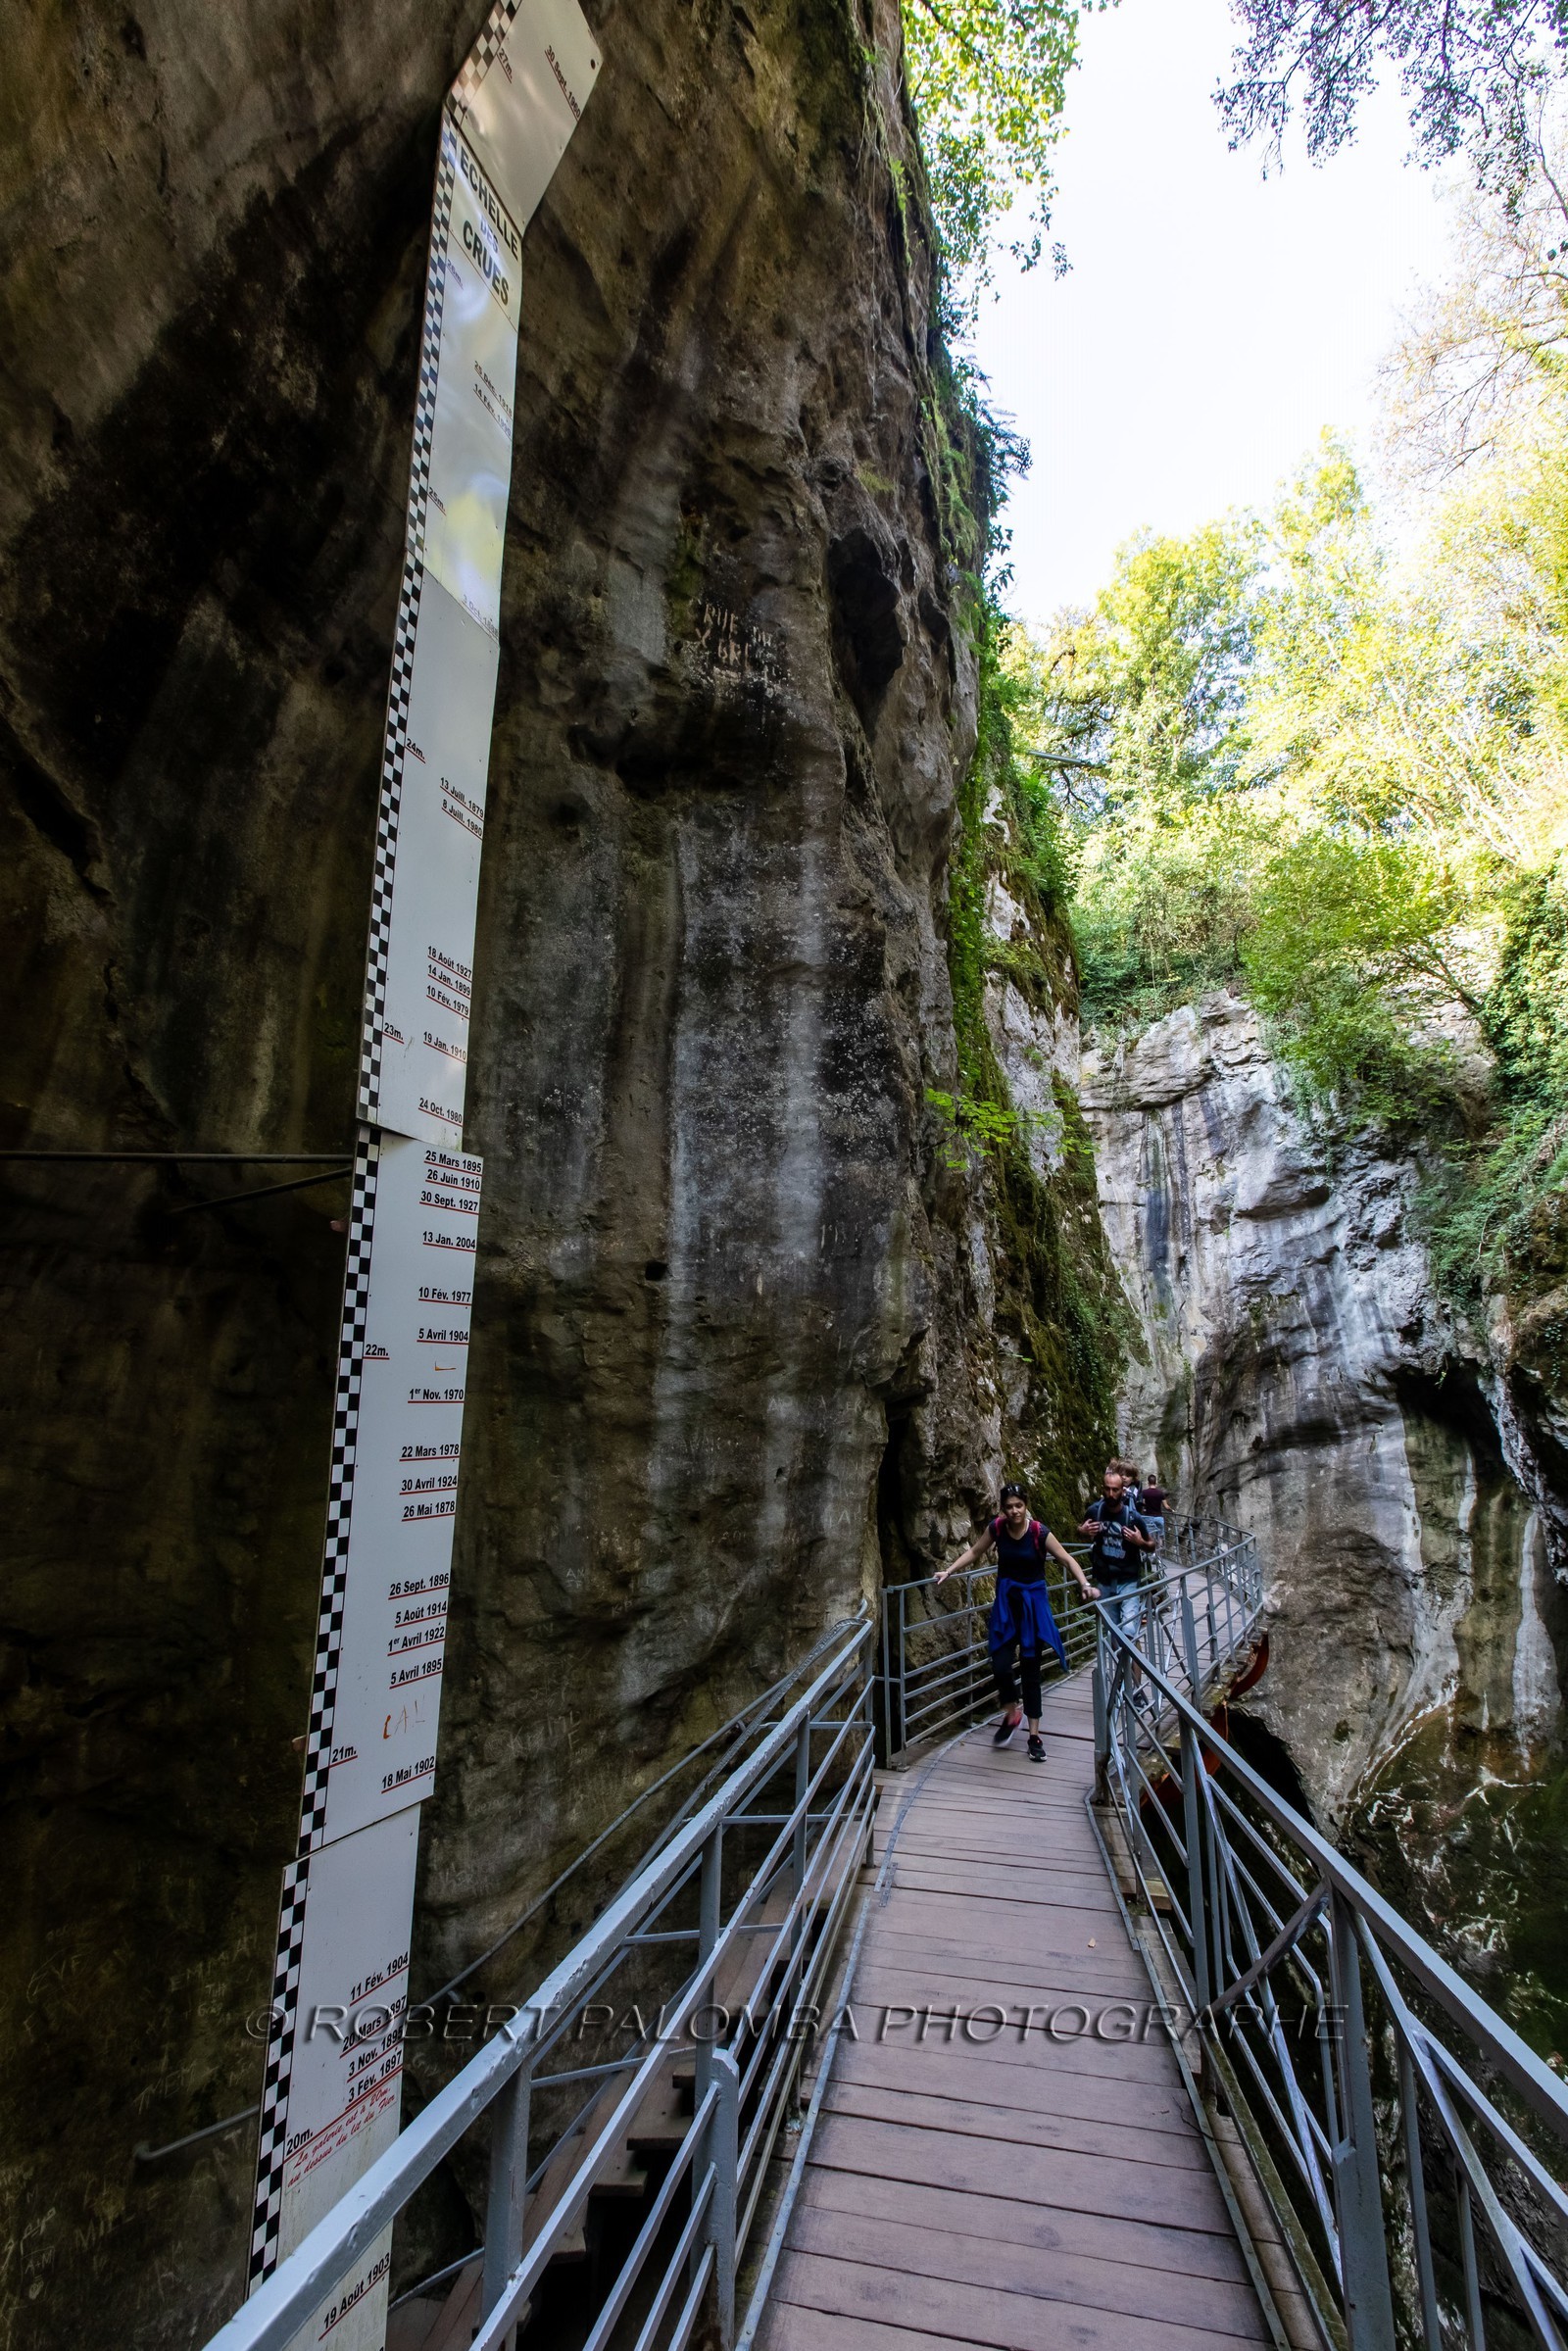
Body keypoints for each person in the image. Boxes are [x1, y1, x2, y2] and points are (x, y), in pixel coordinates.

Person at [935, 1483, 1099, 1762]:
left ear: (1026, 1505)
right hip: (1006, 1605)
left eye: (1018, 1506)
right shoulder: (997, 1528)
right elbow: (975, 1552)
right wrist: (949, 1571)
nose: (1014, 1511)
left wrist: (1084, 1584)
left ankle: (1034, 1736)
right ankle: (1012, 1714)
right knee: (1000, 1664)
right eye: (1009, 1507)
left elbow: (1067, 1559)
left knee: (1031, 1670)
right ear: (1003, 1508)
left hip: (1032, 1606)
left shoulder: (1039, 1532)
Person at [1079, 1468, 1157, 1694]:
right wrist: (1083, 1531)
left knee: (1129, 1633)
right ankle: (1130, 1686)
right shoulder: (1095, 1511)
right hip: (1104, 1582)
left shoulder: (1133, 1517)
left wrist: (1139, 1541)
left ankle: (1134, 1690)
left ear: (1123, 1491)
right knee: (1116, 1637)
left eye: (1116, 1490)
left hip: (1128, 1581)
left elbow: (1152, 1545)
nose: (1111, 1494)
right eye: (1107, 1489)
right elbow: (1080, 1530)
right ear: (1102, 1489)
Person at [1138, 1466, 1170, 1554]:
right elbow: (1166, 1506)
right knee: (1160, 1536)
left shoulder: (1144, 1492)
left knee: (1149, 1535)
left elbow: (1143, 1503)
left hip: (1148, 1517)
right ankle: (1159, 1554)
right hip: (1159, 1517)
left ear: (1148, 1482)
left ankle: (1150, 1553)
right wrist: (1171, 1510)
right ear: (1156, 1482)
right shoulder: (1160, 1493)